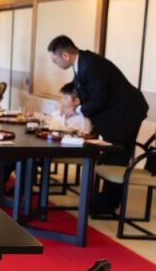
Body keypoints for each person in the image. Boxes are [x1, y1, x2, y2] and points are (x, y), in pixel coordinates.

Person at [47, 35, 149, 213]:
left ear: (65, 55)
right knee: (111, 155)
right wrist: (67, 103)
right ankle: (104, 200)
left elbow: (100, 99)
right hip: (118, 113)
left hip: (126, 113)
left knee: (117, 155)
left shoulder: (90, 65)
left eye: (54, 59)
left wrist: (75, 110)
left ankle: (107, 203)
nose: (54, 63)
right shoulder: (82, 63)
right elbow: (81, 89)